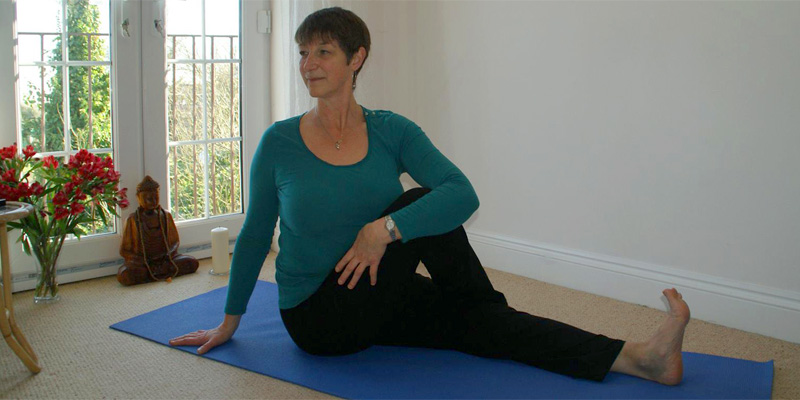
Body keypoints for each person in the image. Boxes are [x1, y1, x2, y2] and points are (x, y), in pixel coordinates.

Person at [169, 7, 690, 385]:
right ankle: (488, 309)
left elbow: (463, 194)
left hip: (377, 285)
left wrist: (382, 232)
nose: (308, 63)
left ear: (357, 58)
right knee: (419, 208)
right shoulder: (279, 142)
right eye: (303, 52)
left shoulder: (391, 130)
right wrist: (230, 320)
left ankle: (638, 358)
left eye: (323, 51)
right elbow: (258, 230)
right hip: (319, 317)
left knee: (439, 240)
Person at [118, 175, 199, 285]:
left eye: (156, 197)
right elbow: (124, 250)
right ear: (138, 197)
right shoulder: (133, 219)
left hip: (166, 259)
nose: (153, 201)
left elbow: (175, 242)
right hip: (143, 262)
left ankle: (156, 271)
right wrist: (143, 260)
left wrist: (167, 255)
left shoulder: (165, 216)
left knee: (191, 263)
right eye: (148, 198)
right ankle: (153, 271)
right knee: (125, 274)